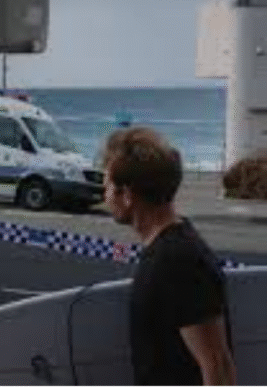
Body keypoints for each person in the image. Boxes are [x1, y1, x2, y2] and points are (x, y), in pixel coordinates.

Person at [101, 127, 236, 385]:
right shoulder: (166, 250)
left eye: (106, 186)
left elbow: (218, 366)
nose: (104, 196)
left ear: (127, 195)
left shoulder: (178, 260)